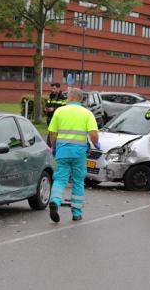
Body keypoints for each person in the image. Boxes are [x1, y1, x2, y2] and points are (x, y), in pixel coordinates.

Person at [47, 87, 100, 222]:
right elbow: (93, 134)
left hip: (62, 152)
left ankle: (55, 201)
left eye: (67, 96)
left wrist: (54, 147)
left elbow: (52, 133)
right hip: (79, 154)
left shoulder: (59, 111)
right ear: (80, 99)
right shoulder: (87, 113)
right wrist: (96, 143)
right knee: (78, 181)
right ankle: (76, 213)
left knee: (59, 179)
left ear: (71, 97)